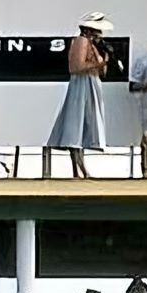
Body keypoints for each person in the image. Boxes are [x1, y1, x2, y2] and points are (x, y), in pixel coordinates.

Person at [47, 12, 112, 179]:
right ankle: (78, 168)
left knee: (82, 126)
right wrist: (99, 63)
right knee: (76, 124)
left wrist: (103, 60)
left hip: (91, 84)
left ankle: (80, 168)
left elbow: (101, 71)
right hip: (82, 84)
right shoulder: (81, 41)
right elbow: (76, 67)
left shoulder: (91, 44)